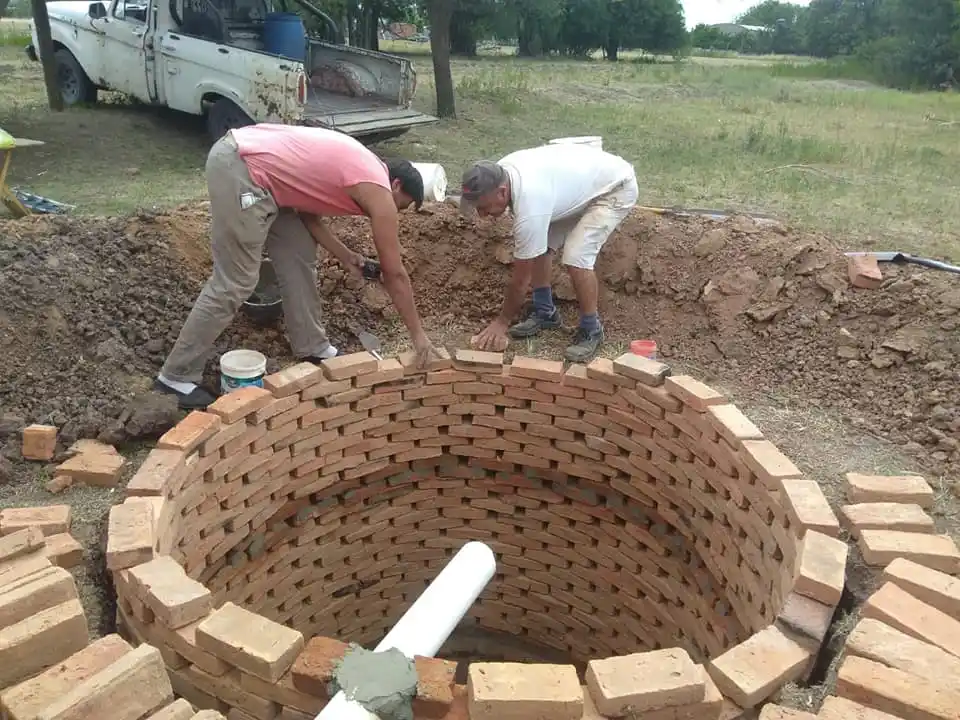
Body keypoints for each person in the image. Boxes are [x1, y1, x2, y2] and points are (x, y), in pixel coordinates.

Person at [154, 123, 439, 409]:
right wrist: (419, 336)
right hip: (243, 167)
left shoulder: (363, 167)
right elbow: (395, 273)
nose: (395, 213)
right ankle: (175, 377)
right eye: (400, 206)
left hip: (274, 183)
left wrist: (346, 255)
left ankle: (313, 347)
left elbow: (309, 216)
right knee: (236, 281)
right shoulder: (377, 188)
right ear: (396, 185)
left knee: (299, 253)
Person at [459, 143, 638, 363]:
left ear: (502, 192)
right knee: (539, 245)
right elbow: (532, 251)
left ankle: (592, 329)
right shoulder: (499, 173)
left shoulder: (529, 202)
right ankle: (545, 311)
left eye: (484, 207)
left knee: (576, 256)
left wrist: (502, 322)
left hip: (614, 188)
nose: (482, 214)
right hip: (577, 186)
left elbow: (520, 281)